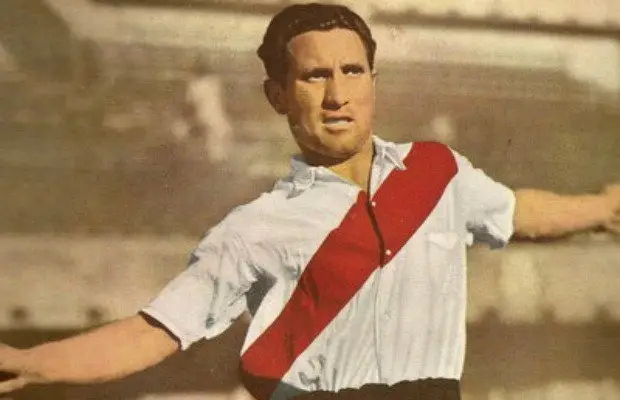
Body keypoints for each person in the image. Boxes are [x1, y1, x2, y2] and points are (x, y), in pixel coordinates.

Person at [1, 3, 619, 399]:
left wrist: (601, 209)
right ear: (277, 95)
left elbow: (516, 211)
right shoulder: (253, 228)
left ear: (374, 82)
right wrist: (34, 363)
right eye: (314, 76)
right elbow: (154, 332)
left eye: (352, 72)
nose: (337, 96)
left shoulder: (438, 170)